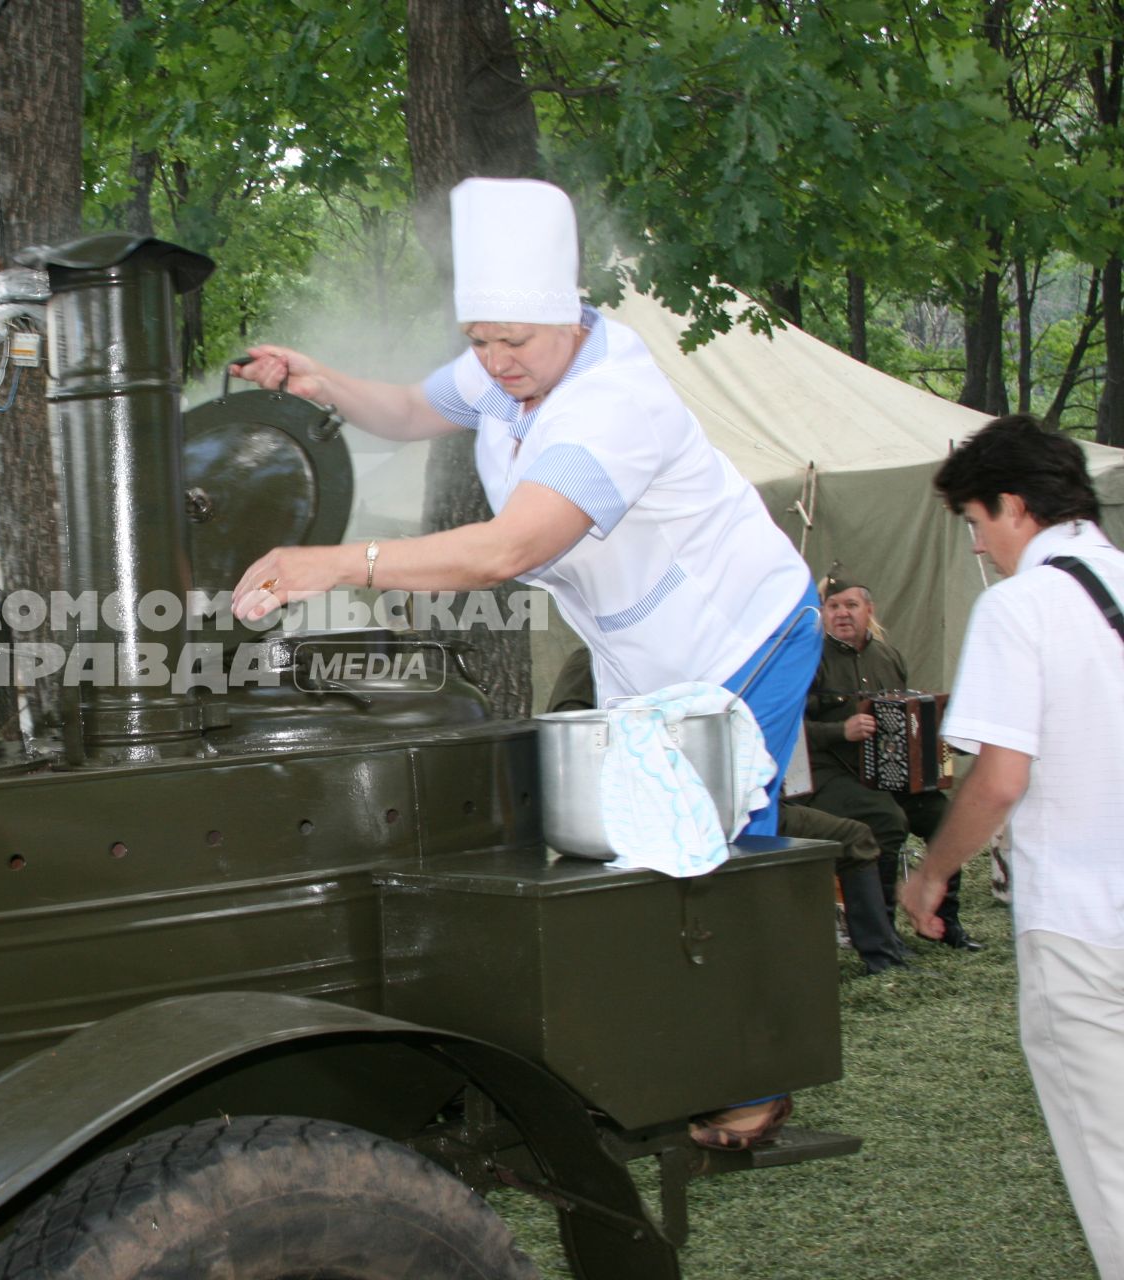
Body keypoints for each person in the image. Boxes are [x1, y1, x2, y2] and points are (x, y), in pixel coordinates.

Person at [230, 178, 817, 1148]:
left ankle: (754, 1076)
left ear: (569, 313)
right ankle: (673, 1044)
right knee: (647, 842)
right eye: (481, 339)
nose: (495, 363)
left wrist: (331, 563)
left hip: (735, 628)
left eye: (516, 342)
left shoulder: (613, 402)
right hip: (640, 644)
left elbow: (508, 549)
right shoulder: (503, 362)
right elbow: (417, 409)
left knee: (719, 844)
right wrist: (318, 380)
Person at [905, 414, 1124, 1278]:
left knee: (1111, 1168)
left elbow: (998, 780)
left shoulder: (1020, 607)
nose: (979, 547)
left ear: (1013, 506)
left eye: (974, 525)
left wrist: (929, 874)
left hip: (1081, 924)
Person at [551, 647, 910, 976]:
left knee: (855, 838)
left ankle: (883, 957)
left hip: (732, 806)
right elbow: (569, 729)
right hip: (646, 816)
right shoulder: (595, 659)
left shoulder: (696, 656)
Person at [802, 576, 980, 951]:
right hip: (827, 773)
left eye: (851, 605)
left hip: (884, 773)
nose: (842, 614)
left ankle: (946, 924)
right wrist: (840, 730)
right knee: (886, 820)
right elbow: (789, 728)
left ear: (869, 610)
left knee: (943, 818)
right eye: (833, 607)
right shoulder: (808, 659)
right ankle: (883, 934)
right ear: (823, 613)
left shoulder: (887, 656)